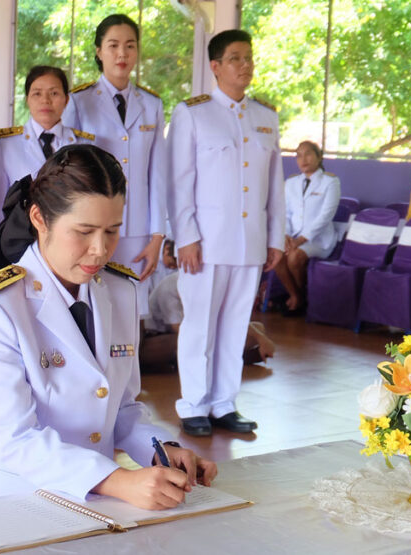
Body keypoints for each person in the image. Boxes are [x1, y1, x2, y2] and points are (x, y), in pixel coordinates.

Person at [0, 144, 216, 509]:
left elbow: (122, 406)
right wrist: (118, 481)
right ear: (39, 219)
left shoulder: (120, 291)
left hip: (89, 498)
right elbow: (14, 438)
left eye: (112, 231)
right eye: (84, 231)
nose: (100, 250)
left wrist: (161, 450)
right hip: (4, 501)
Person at [167, 30, 285, 437]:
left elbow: (275, 186)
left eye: (248, 57)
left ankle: (224, 403)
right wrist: (185, 236)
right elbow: (179, 180)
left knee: (235, 327)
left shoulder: (266, 117)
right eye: (235, 58)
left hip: (250, 241)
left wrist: (274, 238)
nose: (245, 65)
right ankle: (194, 405)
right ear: (215, 66)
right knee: (199, 326)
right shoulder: (193, 113)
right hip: (205, 242)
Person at [62, 14, 168, 317]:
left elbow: (158, 176)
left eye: (130, 46)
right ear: (99, 51)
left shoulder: (152, 104)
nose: (122, 53)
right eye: (113, 45)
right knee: (92, 308)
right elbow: (68, 168)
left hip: (137, 230)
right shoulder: (78, 101)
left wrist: (157, 237)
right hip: (91, 227)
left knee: (131, 313)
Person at [140, 240, 275, 373]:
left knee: (258, 328)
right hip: (159, 338)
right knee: (190, 342)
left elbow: (230, 317)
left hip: (195, 333)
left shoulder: (205, 284)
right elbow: (181, 331)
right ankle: (234, 358)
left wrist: (261, 339)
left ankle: (223, 357)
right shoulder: (169, 288)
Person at [0, 65, 94, 210]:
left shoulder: (83, 144)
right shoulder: (6, 144)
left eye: (54, 93)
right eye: (37, 94)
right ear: (27, 99)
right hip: (22, 224)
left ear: (66, 100)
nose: (45, 100)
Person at [276, 141, 340, 312]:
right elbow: (286, 213)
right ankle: (297, 296)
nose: (303, 159)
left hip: (319, 240)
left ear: (319, 157)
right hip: (294, 238)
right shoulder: (291, 182)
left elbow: (325, 216)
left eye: (308, 154)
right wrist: (286, 236)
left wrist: (301, 240)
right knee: (276, 255)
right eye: (299, 155)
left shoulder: (330, 182)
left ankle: (302, 297)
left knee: (294, 257)